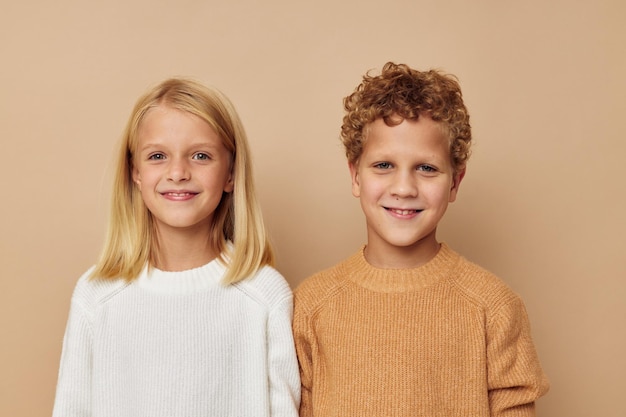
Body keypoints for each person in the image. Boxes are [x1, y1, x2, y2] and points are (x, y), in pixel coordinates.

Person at [293, 62, 549, 417]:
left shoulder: (494, 306)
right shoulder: (312, 304)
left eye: (426, 168)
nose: (403, 188)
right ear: (355, 176)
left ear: (455, 182)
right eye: (383, 165)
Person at [52, 78, 300, 417]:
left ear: (230, 174)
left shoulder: (265, 295)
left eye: (201, 155)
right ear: (135, 172)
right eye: (157, 156)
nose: (178, 172)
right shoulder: (96, 296)